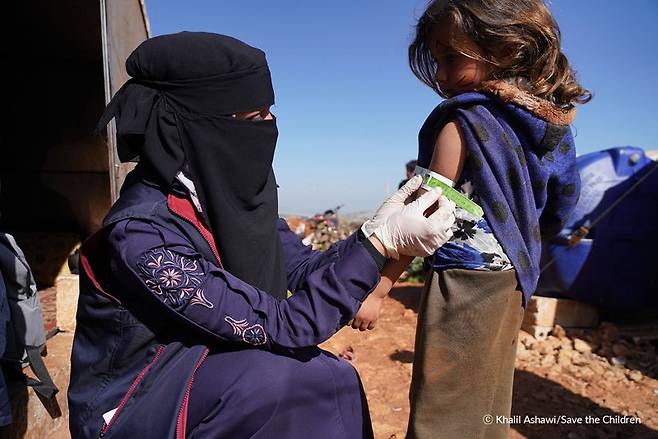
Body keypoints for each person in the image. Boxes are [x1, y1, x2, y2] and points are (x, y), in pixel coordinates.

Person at [67, 32, 456, 439]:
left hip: (207, 361)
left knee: (334, 378)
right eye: (253, 118)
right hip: (139, 395)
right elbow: (284, 324)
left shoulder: (228, 202)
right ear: (192, 124)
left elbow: (305, 268)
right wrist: (380, 245)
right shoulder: (142, 235)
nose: (270, 126)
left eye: (270, 113)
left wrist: (374, 233)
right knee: (283, 382)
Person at [354, 1, 590, 437]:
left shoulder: (462, 123)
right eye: (438, 60)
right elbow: (562, 201)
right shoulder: (546, 123)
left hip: (464, 282)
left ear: (503, 47)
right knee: (488, 400)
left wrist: (381, 287)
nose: (442, 76)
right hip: (514, 280)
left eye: (451, 58)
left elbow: (423, 216)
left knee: (441, 408)